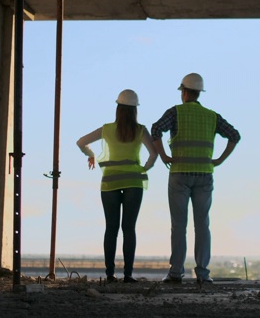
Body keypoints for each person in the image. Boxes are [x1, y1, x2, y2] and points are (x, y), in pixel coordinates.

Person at [151, 73, 241, 284]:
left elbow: (156, 129)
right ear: (199, 93)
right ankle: (202, 274)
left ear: (183, 92)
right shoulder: (212, 116)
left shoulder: (175, 113)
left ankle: (175, 273)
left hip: (180, 174)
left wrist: (164, 156)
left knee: (178, 226)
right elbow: (234, 135)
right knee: (202, 226)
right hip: (204, 175)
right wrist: (219, 160)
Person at [76, 89, 157, 283]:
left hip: (110, 182)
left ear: (118, 108)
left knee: (111, 228)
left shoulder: (106, 129)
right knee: (129, 228)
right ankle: (128, 275)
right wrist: (143, 168)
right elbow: (154, 154)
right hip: (134, 182)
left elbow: (81, 142)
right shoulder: (140, 130)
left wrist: (90, 155)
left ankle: (110, 274)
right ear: (135, 110)